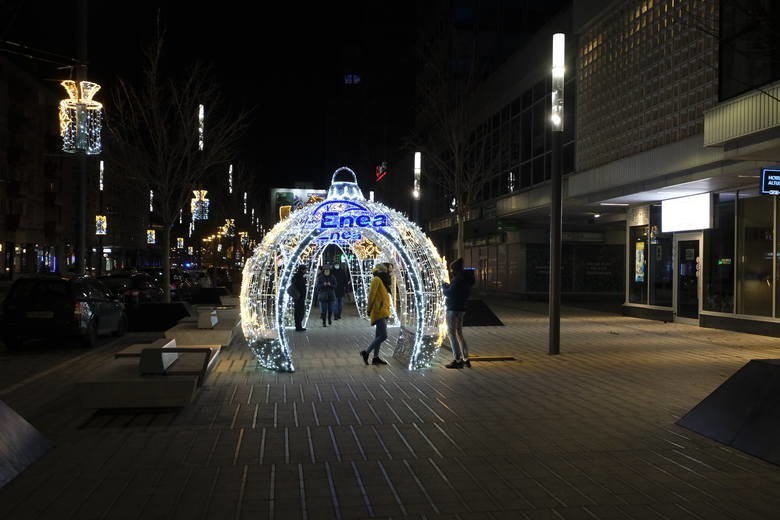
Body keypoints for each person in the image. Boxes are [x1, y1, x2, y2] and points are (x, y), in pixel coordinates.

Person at [442, 257, 475, 369]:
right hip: (461, 308)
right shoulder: (466, 279)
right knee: (459, 333)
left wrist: (444, 287)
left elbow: (450, 293)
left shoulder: (457, 279)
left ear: (454, 269)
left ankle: (457, 360)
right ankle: (466, 359)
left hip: (453, 309)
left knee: (452, 334)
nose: (451, 271)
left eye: (452, 269)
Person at [360, 263, 392, 365]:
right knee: (383, 336)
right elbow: (371, 296)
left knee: (378, 335)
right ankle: (366, 352)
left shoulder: (383, 281)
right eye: (388, 270)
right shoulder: (377, 279)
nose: (389, 271)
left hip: (384, 310)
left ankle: (376, 357)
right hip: (379, 311)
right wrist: (369, 309)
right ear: (383, 270)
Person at [291, 264, 308, 331]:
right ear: (302, 270)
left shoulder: (296, 276)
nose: (306, 270)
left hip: (296, 296)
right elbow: (301, 287)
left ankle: (298, 326)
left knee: (297, 311)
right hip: (299, 296)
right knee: (300, 311)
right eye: (305, 269)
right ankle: (298, 326)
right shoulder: (300, 277)